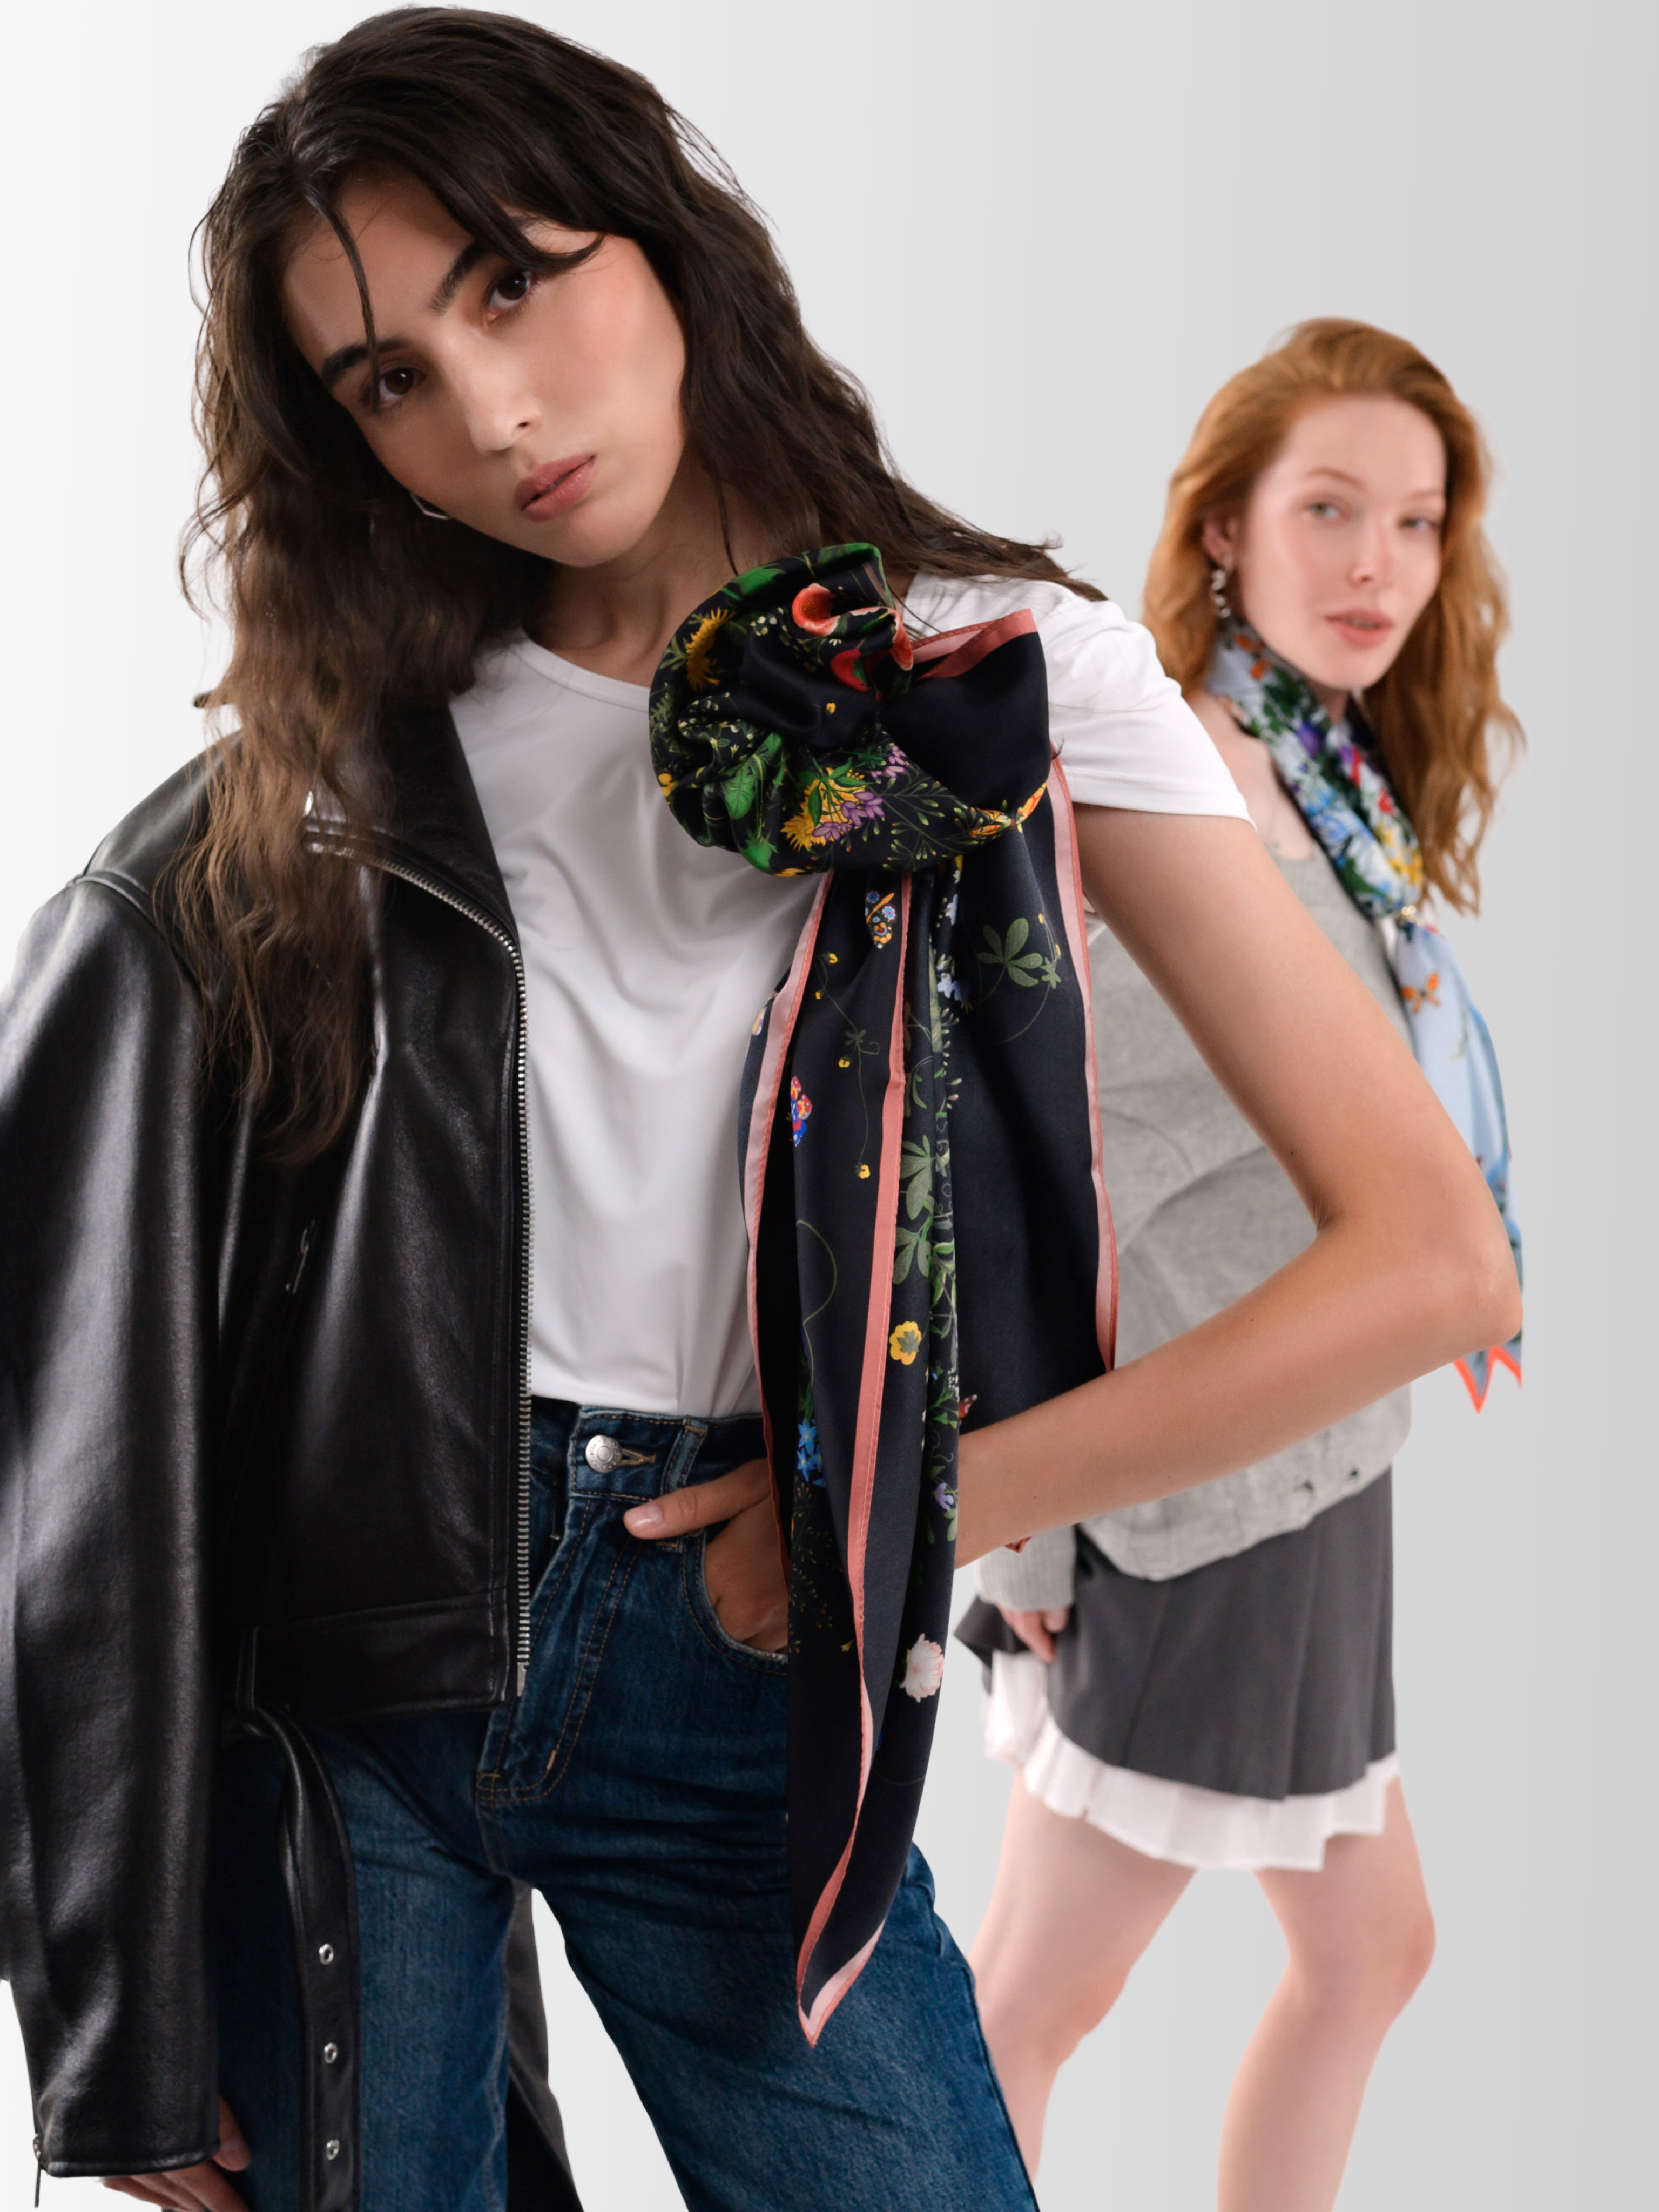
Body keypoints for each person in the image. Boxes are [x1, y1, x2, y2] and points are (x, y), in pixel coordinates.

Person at [0, 9, 1518, 2202]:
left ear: (665, 237)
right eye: (390, 378)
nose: (490, 410)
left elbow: (1432, 1256)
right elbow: (87, 1399)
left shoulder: (1005, 674)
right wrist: (119, 2021)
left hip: (734, 1644)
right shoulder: (336, 764)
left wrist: (913, 1513)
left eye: (514, 283)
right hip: (350, 1682)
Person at [959, 319, 1523, 2212]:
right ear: (1224, 531)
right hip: (1191, 1503)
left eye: (1418, 523)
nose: (1380, 565)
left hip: (1314, 1466)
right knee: (1029, 2002)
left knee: (1373, 1950)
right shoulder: (1178, 778)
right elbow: (1023, 1156)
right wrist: (1027, 1532)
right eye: (1330, 511)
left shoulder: (1325, 780)